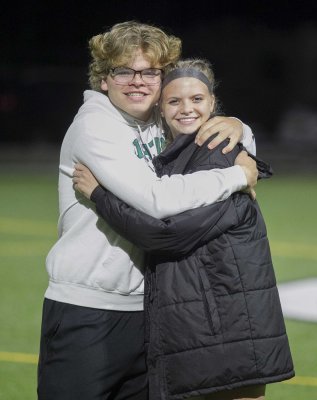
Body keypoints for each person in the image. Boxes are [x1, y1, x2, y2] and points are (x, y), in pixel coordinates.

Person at [37, 21, 258, 400]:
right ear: (104, 79)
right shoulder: (95, 125)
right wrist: (236, 175)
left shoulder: (158, 120)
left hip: (151, 312)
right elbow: (156, 202)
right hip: (87, 310)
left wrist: (239, 126)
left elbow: (215, 129)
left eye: (150, 72)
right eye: (124, 71)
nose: (137, 81)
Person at [73, 59, 294, 400]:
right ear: (160, 108)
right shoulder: (176, 155)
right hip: (206, 325)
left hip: (227, 329)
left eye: (197, 100)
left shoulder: (218, 155)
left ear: (212, 103)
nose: (186, 109)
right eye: (175, 101)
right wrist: (240, 126)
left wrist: (100, 196)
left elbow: (165, 234)